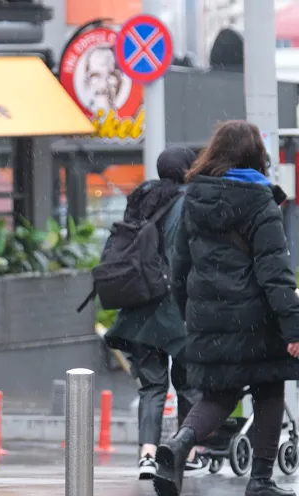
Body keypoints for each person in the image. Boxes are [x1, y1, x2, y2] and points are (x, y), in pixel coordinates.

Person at [154, 120, 299, 496]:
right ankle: (260, 484)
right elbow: (274, 271)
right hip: (254, 318)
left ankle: (180, 443)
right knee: (269, 388)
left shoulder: (194, 199)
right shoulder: (260, 201)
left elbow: (179, 266)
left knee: (219, 394)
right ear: (257, 156)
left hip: (207, 317)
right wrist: (295, 326)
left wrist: (190, 313)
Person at [105, 146, 202, 479]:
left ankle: (147, 455)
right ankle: (187, 451)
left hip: (139, 305)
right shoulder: (187, 202)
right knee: (188, 383)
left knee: (151, 386)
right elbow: (186, 258)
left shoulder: (142, 198)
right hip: (175, 308)